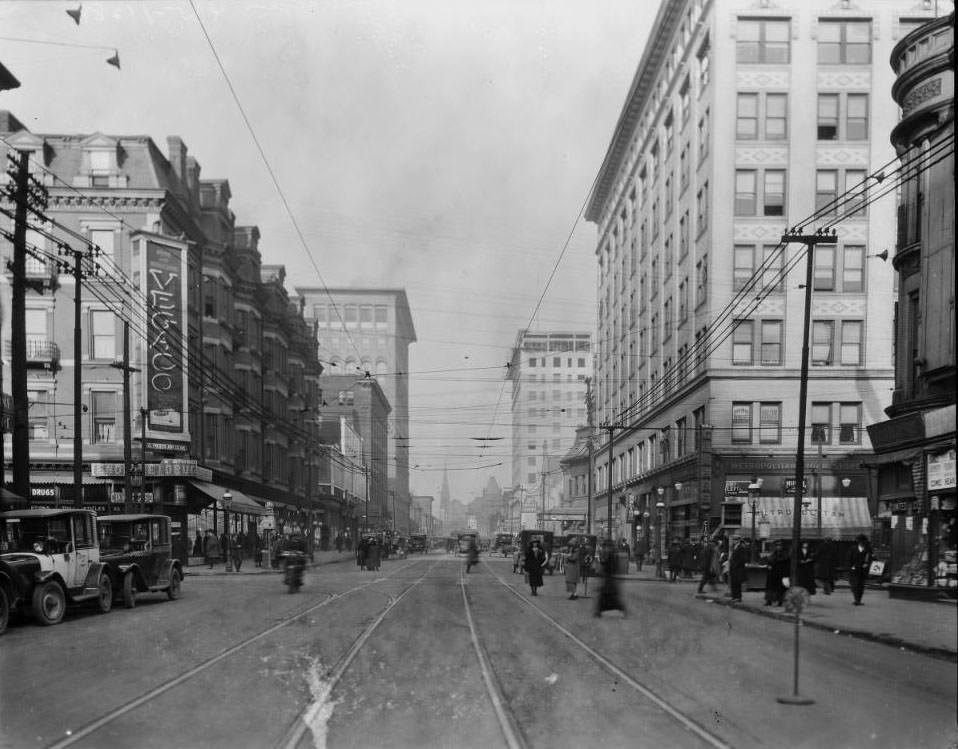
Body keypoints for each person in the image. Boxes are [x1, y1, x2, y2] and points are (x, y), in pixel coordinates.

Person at [595, 539, 626, 616]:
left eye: (606, 546)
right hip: (610, 578)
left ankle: (599, 611)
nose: (605, 548)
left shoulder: (611, 554)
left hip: (610, 578)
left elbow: (609, 565)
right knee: (608, 596)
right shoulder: (612, 553)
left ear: (609, 546)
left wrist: (602, 562)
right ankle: (599, 611)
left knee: (607, 596)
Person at [764, 540, 790, 606]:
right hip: (772, 573)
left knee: (780, 589)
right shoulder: (773, 554)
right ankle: (769, 601)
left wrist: (785, 574)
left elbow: (785, 563)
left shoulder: (785, 555)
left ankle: (780, 601)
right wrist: (769, 565)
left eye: (780, 546)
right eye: (777, 546)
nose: (778, 547)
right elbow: (770, 560)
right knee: (770, 588)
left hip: (780, 574)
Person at [848, 534, 872, 605]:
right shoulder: (853, 548)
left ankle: (858, 600)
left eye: (861, 541)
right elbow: (849, 558)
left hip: (862, 570)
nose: (860, 543)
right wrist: (851, 567)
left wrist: (867, 564)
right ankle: (856, 599)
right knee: (854, 585)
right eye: (859, 541)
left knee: (861, 585)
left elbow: (870, 558)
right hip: (854, 569)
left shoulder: (867, 549)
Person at [729, 537, 750, 602]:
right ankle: (734, 596)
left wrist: (735, 565)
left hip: (738, 568)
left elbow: (742, 559)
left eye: (735, 540)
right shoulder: (734, 547)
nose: (734, 541)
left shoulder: (741, 548)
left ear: (738, 540)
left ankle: (738, 597)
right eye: (733, 540)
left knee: (737, 583)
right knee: (733, 583)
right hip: (733, 568)